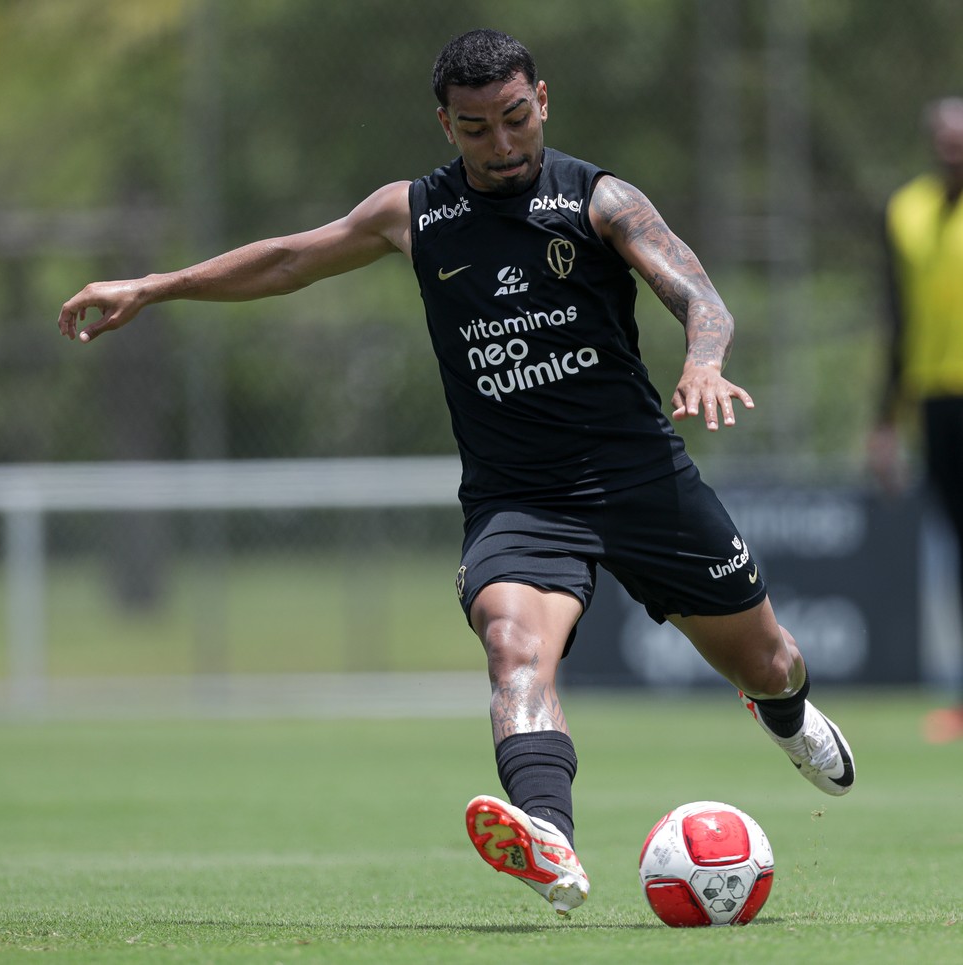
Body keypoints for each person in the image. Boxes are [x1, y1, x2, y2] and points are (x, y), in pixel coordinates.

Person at [58, 29, 855, 915]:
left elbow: (698, 293)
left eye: (516, 119)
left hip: (642, 481)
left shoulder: (598, 199)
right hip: (519, 500)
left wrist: (703, 359)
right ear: (445, 124)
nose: (503, 144)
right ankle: (547, 835)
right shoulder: (412, 212)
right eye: (477, 128)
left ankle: (783, 715)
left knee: (771, 661)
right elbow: (290, 256)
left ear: (542, 100)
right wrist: (155, 287)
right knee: (515, 653)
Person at [870, 97, 963, 745]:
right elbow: (897, 322)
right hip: (937, 400)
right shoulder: (906, 210)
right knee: (954, 552)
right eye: (946, 140)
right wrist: (884, 418)